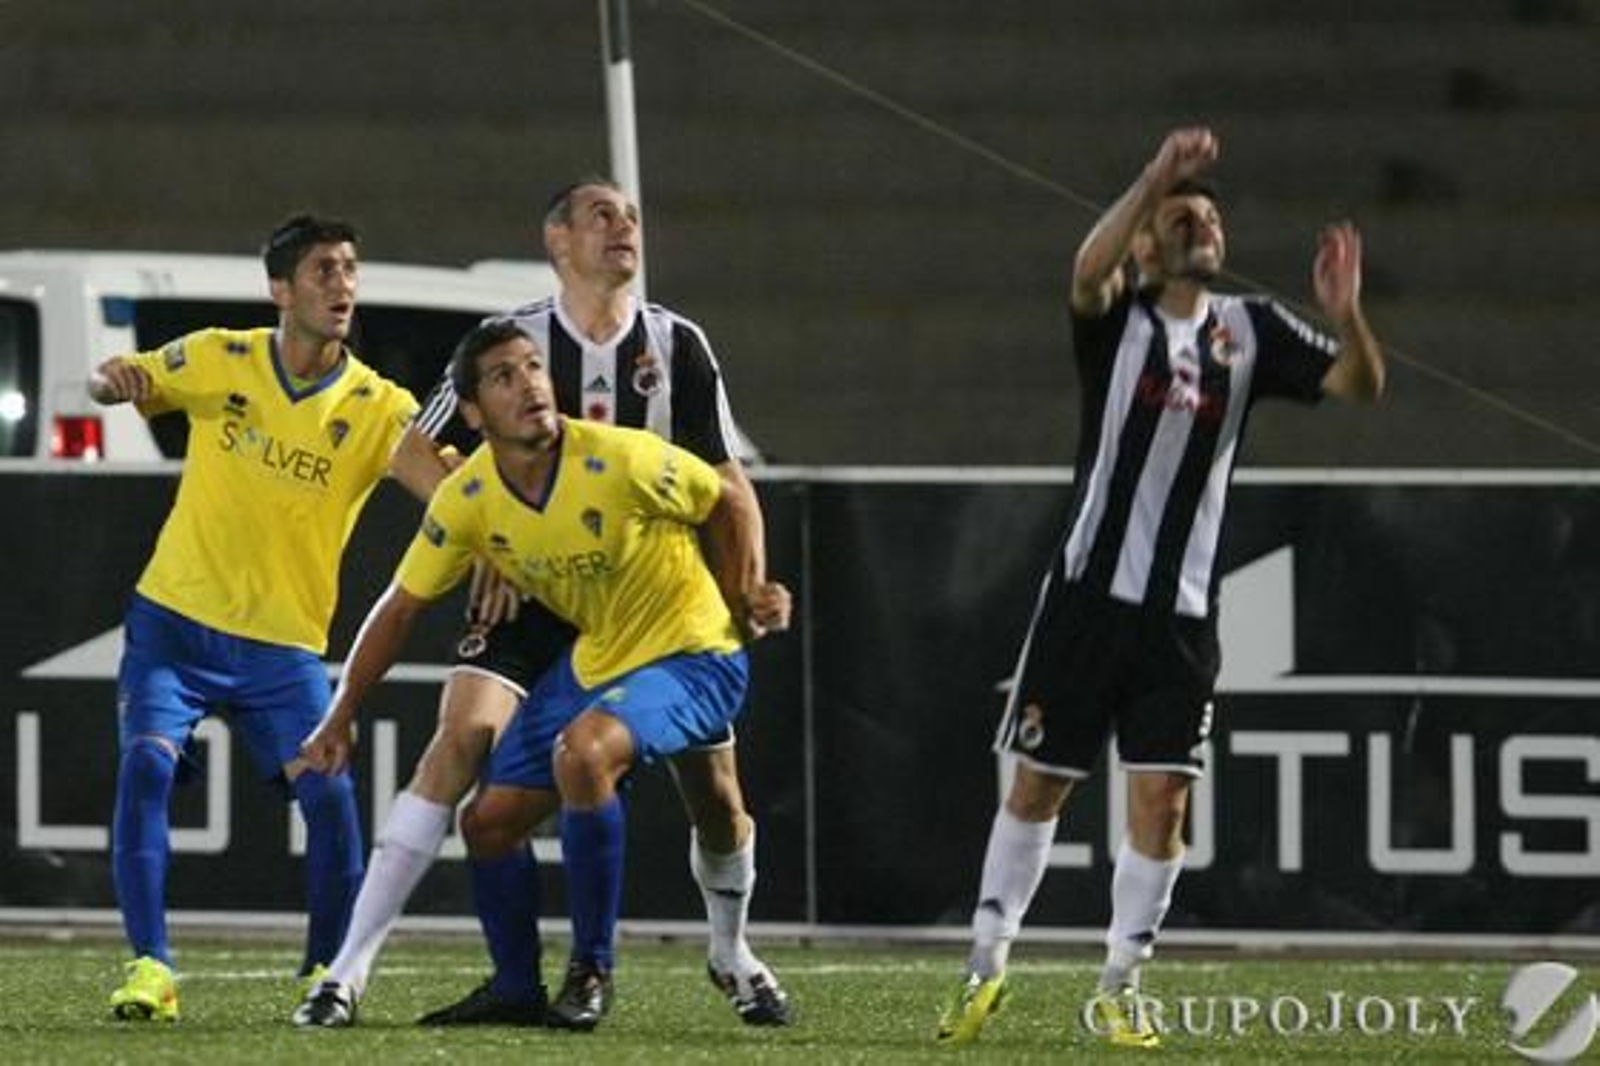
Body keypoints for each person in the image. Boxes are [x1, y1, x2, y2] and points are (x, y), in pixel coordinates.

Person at [292, 178, 789, 1031]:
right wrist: (493, 536)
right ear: (556, 241)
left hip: (654, 602)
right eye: (601, 214)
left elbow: (724, 487)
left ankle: (726, 950)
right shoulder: (510, 342)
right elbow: (417, 459)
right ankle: (349, 973)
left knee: (712, 795)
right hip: (541, 589)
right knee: (467, 756)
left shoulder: (672, 352)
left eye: (630, 214)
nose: (623, 226)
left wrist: (747, 590)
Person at [936, 127, 1385, 1049]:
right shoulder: (1116, 321)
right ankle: (982, 971)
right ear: (1146, 241)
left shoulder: (1251, 331)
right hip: (1087, 600)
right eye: (1182, 215)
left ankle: (1119, 984)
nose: (1199, 222)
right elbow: (1084, 268)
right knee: (1038, 791)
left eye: (1210, 214)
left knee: (1162, 803)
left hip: (1181, 618)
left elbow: (1359, 385)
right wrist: (1153, 178)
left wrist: (1346, 314)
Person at [92, 214, 421, 1022]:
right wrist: (114, 383)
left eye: (350, 269)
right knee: (146, 768)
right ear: (281, 290)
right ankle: (150, 968)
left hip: (282, 647)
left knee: (331, 796)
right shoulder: (220, 357)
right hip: (174, 619)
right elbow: (119, 375)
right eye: (322, 271)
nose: (342, 285)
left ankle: (325, 972)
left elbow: (450, 498)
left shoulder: (379, 406)